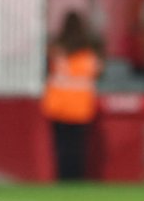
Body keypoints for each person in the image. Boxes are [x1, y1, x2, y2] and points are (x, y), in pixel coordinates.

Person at [41, 11, 103, 180]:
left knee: (61, 147)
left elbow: (47, 70)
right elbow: (97, 72)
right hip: (80, 106)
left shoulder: (57, 50)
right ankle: (76, 179)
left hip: (58, 104)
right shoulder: (88, 52)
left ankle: (63, 177)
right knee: (77, 147)